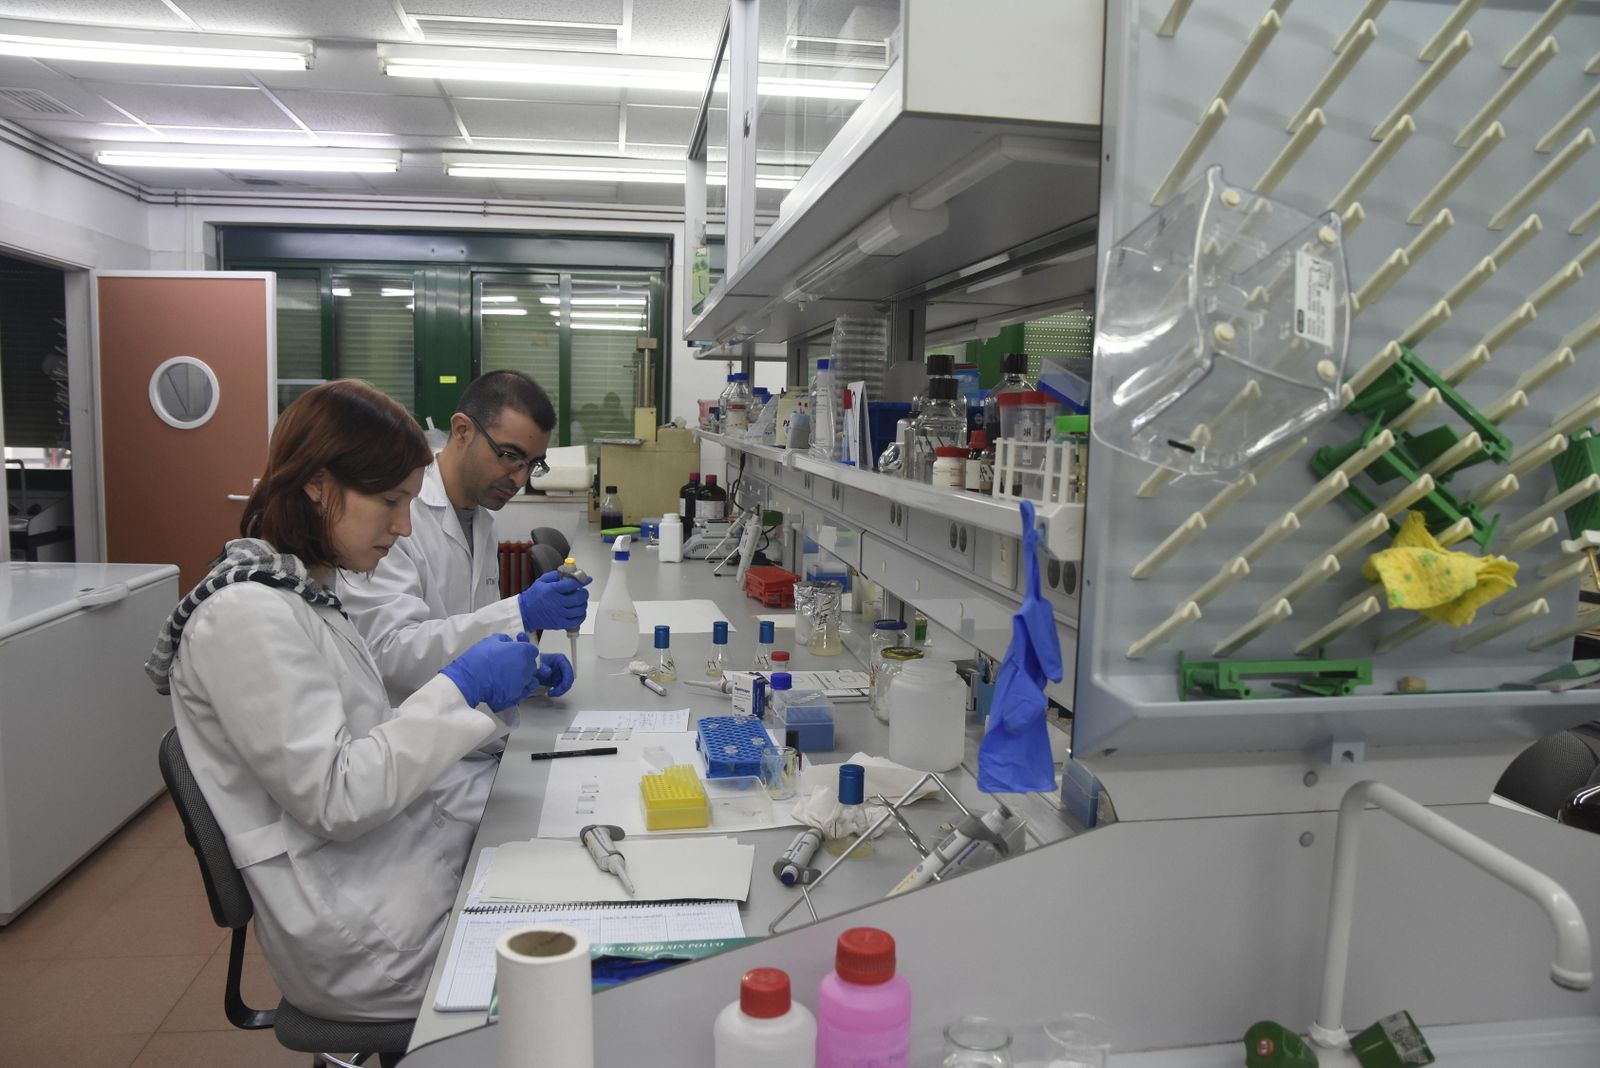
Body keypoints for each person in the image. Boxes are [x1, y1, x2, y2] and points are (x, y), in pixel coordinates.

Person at [147, 380, 568, 1022]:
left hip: (390, 864)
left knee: (560, 855)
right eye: (390, 502)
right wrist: (464, 686)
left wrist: (480, 690)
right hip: (361, 933)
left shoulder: (302, 589)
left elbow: (367, 730)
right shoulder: (244, 614)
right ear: (319, 484)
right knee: (582, 970)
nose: (403, 527)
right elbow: (338, 797)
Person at [343, 370, 586, 709]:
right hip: (413, 731)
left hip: (470, 728)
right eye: (509, 455)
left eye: (532, 464)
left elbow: (475, 633)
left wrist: (527, 669)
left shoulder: (482, 519)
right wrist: (521, 611)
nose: (519, 478)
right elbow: (388, 654)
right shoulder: (395, 519)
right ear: (462, 430)